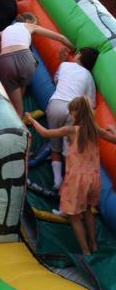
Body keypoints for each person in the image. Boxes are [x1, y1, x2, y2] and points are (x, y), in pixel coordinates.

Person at [25, 96, 116, 256]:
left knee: (74, 216)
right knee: (87, 210)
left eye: (72, 112)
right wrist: (112, 129)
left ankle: (85, 251)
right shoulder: (95, 129)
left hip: (76, 180)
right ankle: (94, 245)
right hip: (93, 179)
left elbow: (46, 133)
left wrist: (31, 120)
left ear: (76, 113)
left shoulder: (72, 130)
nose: (70, 115)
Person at [0, 13, 74, 117]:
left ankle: (16, 110)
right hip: (26, 59)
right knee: (28, 72)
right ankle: (19, 109)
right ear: (28, 21)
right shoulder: (29, 26)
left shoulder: (4, 31)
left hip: (6, 61)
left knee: (15, 99)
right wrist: (73, 49)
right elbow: (61, 37)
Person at [47, 47, 99, 190]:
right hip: (73, 111)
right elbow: (91, 104)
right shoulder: (89, 77)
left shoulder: (65, 65)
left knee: (55, 146)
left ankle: (57, 180)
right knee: (67, 150)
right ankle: (68, 184)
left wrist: (63, 61)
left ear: (78, 55)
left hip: (55, 104)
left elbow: (55, 80)